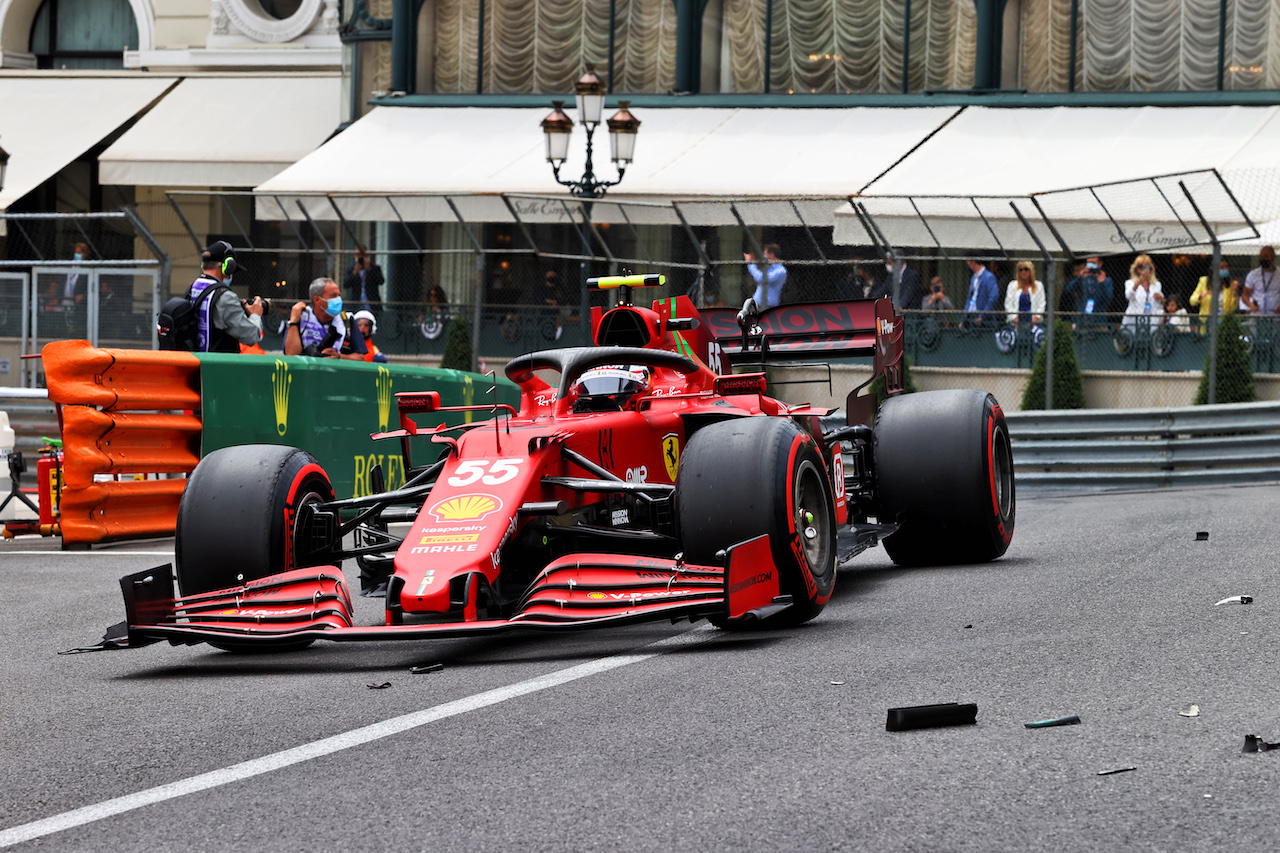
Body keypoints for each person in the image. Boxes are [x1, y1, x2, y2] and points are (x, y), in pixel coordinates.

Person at [188, 241, 265, 353]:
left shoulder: (192, 289)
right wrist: (255, 315)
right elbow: (252, 336)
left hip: (196, 363)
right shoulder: (225, 297)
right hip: (218, 366)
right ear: (227, 267)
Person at [284, 277, 367, 360]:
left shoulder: (347, 320)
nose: (338, 300)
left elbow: (361, 358)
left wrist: (339, 357)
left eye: (339, 295)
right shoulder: (301, 318)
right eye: (333, 296)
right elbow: (291, 356)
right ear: (317, 300)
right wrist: (293, 322)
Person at [1189, 259, 1248, 334]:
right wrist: (1200, 296)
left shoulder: (1230, 284)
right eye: (1222, 267)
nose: (1225, 269)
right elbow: (1192, 301)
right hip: (1207, 322)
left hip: (1223, 323)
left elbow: (1233, 308)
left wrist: (1235, 292)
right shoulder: (1204, 281)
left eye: (1226, 267)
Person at [1061, 256, 1114, 327]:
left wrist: (1102, 283)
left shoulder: (1107, 280)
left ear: (1100, 264)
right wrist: (1080, 277)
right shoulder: (1082, 279)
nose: (1090, 266)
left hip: (1098, 319)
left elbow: (1108, 298)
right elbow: (1069, 289)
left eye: (1093, 263)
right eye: (1088, 263)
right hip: (1082, 319)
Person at [1122, 254, 1164, 328]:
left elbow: (1162, 303)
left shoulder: (1157, 284)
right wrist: (1138, 282)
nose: (1143, 270)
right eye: (1140, 267)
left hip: (1151, 319)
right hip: (1135, 318)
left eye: (1146, 267)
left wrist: (1160, 298)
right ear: (1136, 269)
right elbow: (1128, 296)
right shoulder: (1130, 283)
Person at [1004, 261, 1046, 328]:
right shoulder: (1012, 285)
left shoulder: (1039, 286)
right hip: (1016, 320)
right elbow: (1008, 305)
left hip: (1034, 320)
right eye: (1020, 270)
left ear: (1031, 271)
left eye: (1026, 269)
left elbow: (1041, 304)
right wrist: (1014, 319)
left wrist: (1035, 319)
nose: (1023, 272)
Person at [744, 243, 787, 309]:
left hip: (768, 306)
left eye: (765, 255)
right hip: (757, 304)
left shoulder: (780, 271)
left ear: (772, 255)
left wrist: (750, 264)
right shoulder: (768, 268)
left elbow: (761, 278)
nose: (764, 257)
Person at [343, 246, 384, 313]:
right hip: (357, 302)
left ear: (366, 255)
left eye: (362, 255)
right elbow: (346, 285)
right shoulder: (351, 269)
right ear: (354, 256)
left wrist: (370, 270)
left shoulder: (375, 268)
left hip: (371, 302)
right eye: (357, 255)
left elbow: (381, 281)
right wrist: (354, 273)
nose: (360, 257)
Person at [1243, 246, 1280, 316]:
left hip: (1276, 316)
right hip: (1257, 315)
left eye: (1266, 257)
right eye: (1261, 257)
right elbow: (1245, 295)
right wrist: (1251, 305)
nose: (1263, 259)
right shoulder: (1253, 274)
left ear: (1273, 257)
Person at [963, 258, 1000, 326]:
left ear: (973, 262)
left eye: (968, 263)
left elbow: (993, 298)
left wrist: (982, 316)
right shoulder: (974, 278)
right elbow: (970, 298)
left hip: (983, 318)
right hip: (971, 315)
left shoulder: (988, 277)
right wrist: (964, 317)